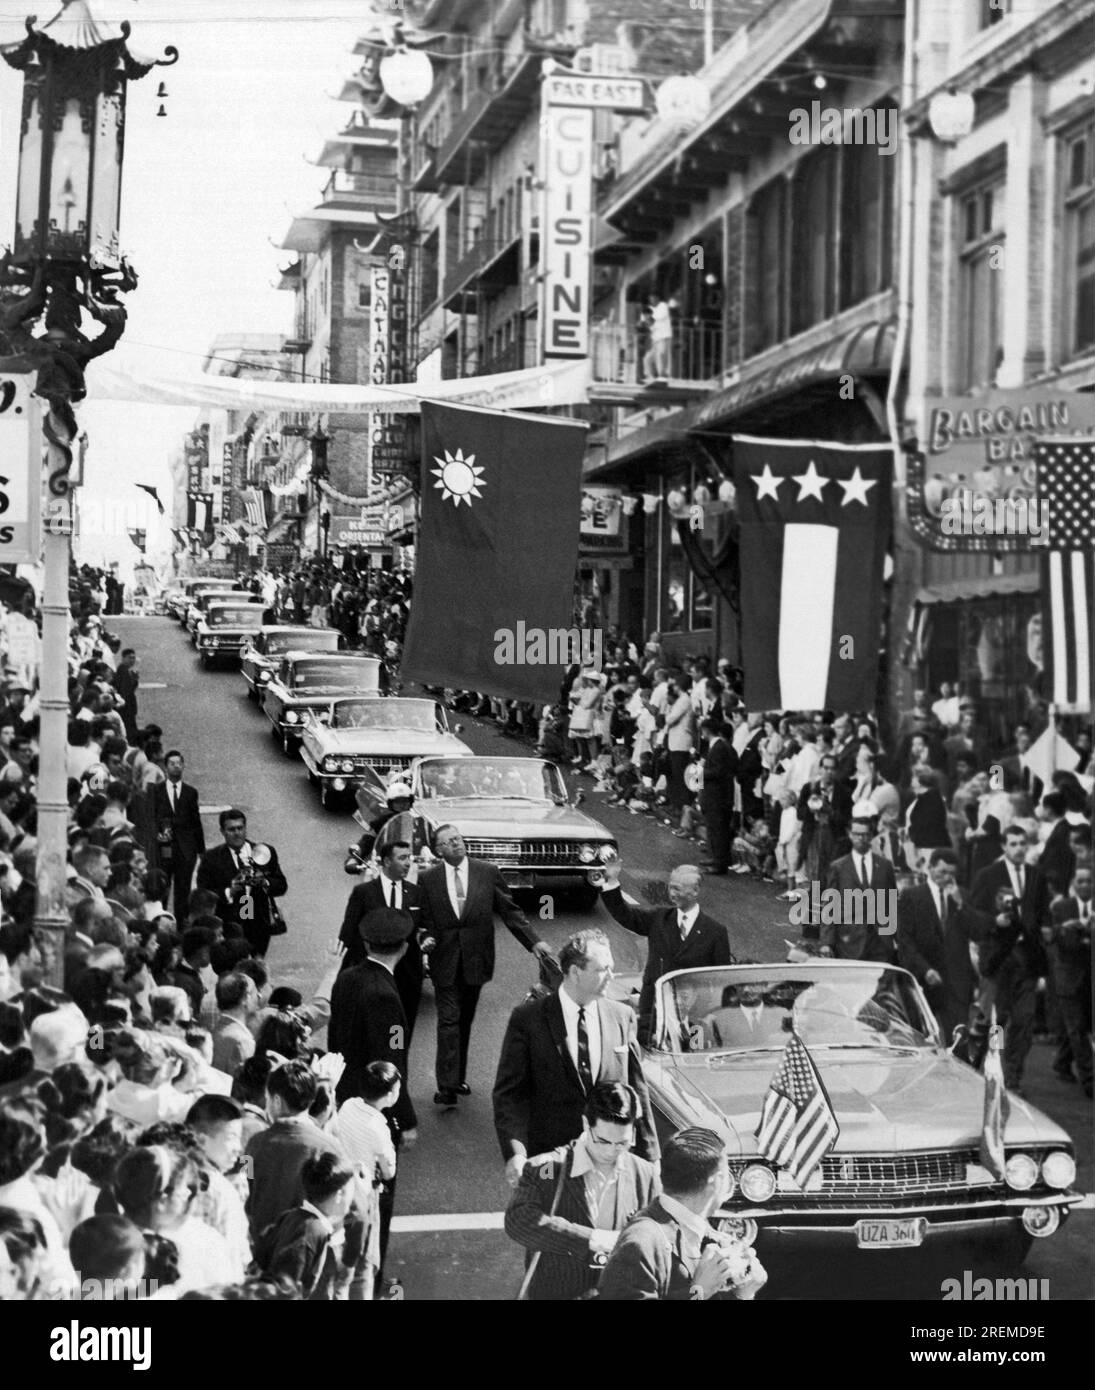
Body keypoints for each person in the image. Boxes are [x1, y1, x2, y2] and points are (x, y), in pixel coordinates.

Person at [493, 929, 657, 1191]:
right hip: (550, 1163)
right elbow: (510, 1095)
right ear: (575, 972)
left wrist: (650, 1156)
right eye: (602, 969)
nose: (611, 976)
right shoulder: (528, 1019)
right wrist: (517, 1153)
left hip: (608, 1166)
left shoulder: (621, 1016)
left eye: (611, 968)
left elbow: (637, 1090)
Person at [417, 824, 551, 1109]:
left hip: (476, 960)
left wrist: (534, 942)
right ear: (438, 850)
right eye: (449, 842)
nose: (456, 843)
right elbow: (424, 920)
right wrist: (425, 938)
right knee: (449, 1021)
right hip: (445, 960)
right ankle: (447, 1087)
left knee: (464, 1020)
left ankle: (457, 1077)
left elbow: (510, 911)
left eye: (458, 838)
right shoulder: (428, 879)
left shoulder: (487, 872)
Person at [504, 1081, 660, 1301]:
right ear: (586, 1124)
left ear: (634, 1131)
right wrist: (590, 1239)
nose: (611, 1151)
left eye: (622, 1143)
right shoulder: (548, 1169)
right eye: (603, 1141)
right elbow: (519, 1220)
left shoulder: (644, 1174)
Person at [596, 1127, 767, 1301]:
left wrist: (743, 1293)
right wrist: (698, 1292)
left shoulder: (704, 1236)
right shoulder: (640, 1244)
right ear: (717, 1179)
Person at [594, 860, 732, 1043]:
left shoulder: (715, 931)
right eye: (670, 887)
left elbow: (723, 980)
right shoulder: (659, 919)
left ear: (695, 891)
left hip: (694, 1018)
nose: (672, 894)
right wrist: (611, 881)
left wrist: (715, 1015)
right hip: (654, 1009)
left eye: (677, 889)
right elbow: (625, 915)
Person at [969, 826, 1050, 1091]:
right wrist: (995, 921)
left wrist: (1045, 931)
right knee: (997, 1021)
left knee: (1024, 1020)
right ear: (1004, 846)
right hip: (998, 958)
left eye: (1022, 843)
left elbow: (1043, 912)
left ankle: (1013, 1076)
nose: (1018, 848)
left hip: (1028, 956)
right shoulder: (988, 875)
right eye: (1013, 844)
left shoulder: (1036, 876)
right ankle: (988, 1068)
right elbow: (973, 914)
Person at [327, 909, 417, 1144]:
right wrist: (404, 1117)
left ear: (367, 945)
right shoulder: (386, 996)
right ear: (404, 948)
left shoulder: (346, 978)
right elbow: (393, 1057)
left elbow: (335, 1035)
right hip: (373, 1105)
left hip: (344, 1094)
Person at [244, 1059, 343, 1242]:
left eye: (267, 1098)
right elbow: (339, 1204)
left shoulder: (253, 1144)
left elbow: (244, 1186)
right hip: (307, 1247)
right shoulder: (330, 1147)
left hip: (260, 1246)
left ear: (276, 1101)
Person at [337, 838, 424, 1043]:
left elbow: (425, 927)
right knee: (369, 1031)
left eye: (409, 858)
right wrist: (339, 974)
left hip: (405, 978)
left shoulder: (416, 893)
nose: (408, 863)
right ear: (386, 861)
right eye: (402, 858)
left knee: (398, 1029)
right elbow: (348, 933)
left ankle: (396, 1058)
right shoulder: (363, 893)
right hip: (370, 975)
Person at [896, 849, 985, 1045]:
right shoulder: (911, 896)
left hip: (956, 982)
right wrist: (924, 969)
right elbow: (905, 941)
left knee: (958, 1043)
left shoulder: (962, 896)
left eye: (952, 874)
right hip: (923, 980)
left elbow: (978, 932)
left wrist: (961, 905)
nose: (947, 878)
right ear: (930, 868)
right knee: (922, 1041)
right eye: (942, 872)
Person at [252, 1150, 360, 1300]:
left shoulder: (292, 1216)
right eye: (352, 1190)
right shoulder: (311, 1232)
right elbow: (286, 1290)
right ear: (339, 1194)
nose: (353, 1198)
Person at [335, 1059, 400, 1294]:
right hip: (366, 1192)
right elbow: (389, 1171)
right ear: (389, 1095)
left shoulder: (348, 1105)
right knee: (365, 1256)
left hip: (341, 1184)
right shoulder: (379, 1129)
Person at [196, 809, 288, 958]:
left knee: (256, 964)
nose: (237, 833)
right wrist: (229, 891)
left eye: (240, 828)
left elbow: (281, 885)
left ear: (245, 828)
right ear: (222, 831)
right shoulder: (211, 859)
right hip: (229, 926)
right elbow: (203, 894)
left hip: (259, 925)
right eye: (231, 829)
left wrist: (264, 882)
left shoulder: (263, 853)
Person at [820, 814, 898, 962]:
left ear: (871, 836)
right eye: (857, 834)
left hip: (880, 942)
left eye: (865, 834)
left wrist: (898, 939)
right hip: (849, 941)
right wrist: (826, 942)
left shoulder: (885, 866)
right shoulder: (838, 867)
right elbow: (830, 906)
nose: (861, 838)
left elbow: (892, 903)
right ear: (850, 835)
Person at [1043, 865, 1093, 1097]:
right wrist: (1064, 928)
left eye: (1089, 881)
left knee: (1078, 1025)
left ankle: (1062, 1061)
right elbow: (1049, 936)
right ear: (1073, 883)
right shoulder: (1061, 908)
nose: (1085, 885)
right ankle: (1090, 1078)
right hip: (1068, 975)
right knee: (1076, 1028)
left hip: (1089, 978)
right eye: (1080, 881)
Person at [150, 751, 205, 924]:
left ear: (183, 766)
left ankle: (181, 923)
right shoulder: (156, 791)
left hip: (185, 849)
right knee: (162, 886)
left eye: (179, 763)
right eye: (172, 763)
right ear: (165, 767)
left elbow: (196, 821)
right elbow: (151, 818)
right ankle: (161, 920)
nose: (176, 766)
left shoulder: (190, 792)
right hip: (164, 848)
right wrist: (155, 837)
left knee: (183, 889)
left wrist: (201, 850)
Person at [698, 716, 736, 875]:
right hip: (713, 794)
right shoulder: (716, 746)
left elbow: (718, 771)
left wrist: (701, 773)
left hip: (718, 795)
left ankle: (720, 863)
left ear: (706, 730)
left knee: (719, 829)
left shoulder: (719, 747)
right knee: (713, 828)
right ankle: (714, 856)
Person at [209, 972, 258, 1077]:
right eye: (254, 991)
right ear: (245, 998)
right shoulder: (241, 1041)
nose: (259, 996)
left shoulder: (216, 1029)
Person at [112, 649, 140, 744]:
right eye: (129, 658)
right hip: (127, 708)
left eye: (133, 658)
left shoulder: (126, 670)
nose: (132, 660)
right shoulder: (123, 670)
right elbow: (126, 690)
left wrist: (134, 680)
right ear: (123, 658)